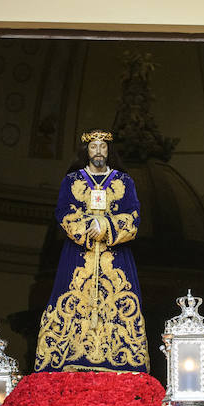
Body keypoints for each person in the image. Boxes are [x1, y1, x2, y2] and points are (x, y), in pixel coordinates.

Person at [34, 129, 149, 373]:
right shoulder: (72, 180)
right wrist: (88, 228)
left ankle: (121, 356)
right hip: (78, 255)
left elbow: (134, 215)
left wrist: (106, 226)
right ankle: (70, 355)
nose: (98, 151)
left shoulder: (125, 181)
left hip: (115, 256)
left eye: (103, 146)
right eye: (94, 146)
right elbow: (63, 212)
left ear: (109, 150)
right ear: (86, 150)